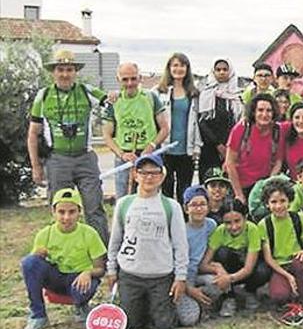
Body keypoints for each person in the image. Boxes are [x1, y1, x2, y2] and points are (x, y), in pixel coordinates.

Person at [28, 49, 109, 243]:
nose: (65, 74)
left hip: (85, 157)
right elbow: (33, 132)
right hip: (57, 159)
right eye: (61, 69)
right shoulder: (43, 95)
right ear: (53, 72)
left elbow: (113, 103)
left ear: (75, 72)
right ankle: (62, 251)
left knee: (94, 207)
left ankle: (102, 256)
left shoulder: (86, 91)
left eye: (69, 69)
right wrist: (36, 166)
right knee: (61, 208)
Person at [106, 154, 188, 329]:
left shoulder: (171, 206)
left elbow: (180, 245)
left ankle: (159, 308)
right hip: (130, 275)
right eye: (143, 173)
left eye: (154, 173)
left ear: (162, 176)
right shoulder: (123, 204)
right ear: (135, 175)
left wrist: (180, 277)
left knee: (164, 325)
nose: (149, 177)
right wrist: (112, 270)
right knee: (131, 326)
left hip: (161, 276)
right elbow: (115, 241)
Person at [20, 188, 106, 329]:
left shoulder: (89, 233)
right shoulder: (45, 234)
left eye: (72, 212)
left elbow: (101, 269)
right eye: (61, 212)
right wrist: (37, 255)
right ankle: (38, 315)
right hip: (56, 277)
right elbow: (32, 267)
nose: (66, 217)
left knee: (86, 286)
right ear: (53, 212)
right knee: (29, 262)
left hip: (79, 280)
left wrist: (88, 272)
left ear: (79, 212)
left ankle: (81, 306)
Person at [102, 62, 169, 198]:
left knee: (151, 197)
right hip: (125, 157)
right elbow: (107, 135)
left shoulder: (150, 97)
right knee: (124, 198)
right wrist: (122, 154)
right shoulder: (113, 102)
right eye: (125, 79)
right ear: (118, 79)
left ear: (140, 78)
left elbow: (164, 128)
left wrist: (150, 147)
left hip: (149, 155)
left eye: (133, 78)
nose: (130, 83)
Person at [258, 178, 303, 325]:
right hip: (280, 266)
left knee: (302, 263)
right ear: (267, 204)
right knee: (279, 296)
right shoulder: (264, 224)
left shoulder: (299, 218)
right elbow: (269, 258)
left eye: (282, 201)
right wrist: (288, 276)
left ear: (289, 201)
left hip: (297, 261)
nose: (279, 206)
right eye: (274, 202)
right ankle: (291, 300)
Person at [201, 202, 271, 318]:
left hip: (247, 269)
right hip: (228, 267)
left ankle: (249, 291)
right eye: (228, 223)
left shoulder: (252, 229)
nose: (233, 227)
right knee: (222, 252)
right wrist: (219, 269)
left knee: (264, 270)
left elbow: (248, 268)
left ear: (245, 218)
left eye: (237, 221)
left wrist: (228, 278)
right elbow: (203, 264)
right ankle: (229, 296)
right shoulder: (220, 231)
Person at [154, 53, 202, 206]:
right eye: (175, 65)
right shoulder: (158, 92)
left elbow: (197, 122)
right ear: (169, 68)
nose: (178, 69)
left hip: (185, 150)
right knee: (166, 189)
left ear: (187, 69)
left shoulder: (194, 93)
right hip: (165, 149)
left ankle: (183, 222)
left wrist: (196, 146)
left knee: (184, 190)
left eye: (182, 65)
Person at [225, 94, 284, 204]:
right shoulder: (241, 129)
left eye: (269, 111)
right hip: (240, 185)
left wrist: (268, 185)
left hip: (263, 187)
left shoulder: (278, 131)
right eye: (260, 110)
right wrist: (239, 194)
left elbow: (278, 161)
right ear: (253, 112)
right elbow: (230, 163)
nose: (264, 114)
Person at [175, 185, 220, 327]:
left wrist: (218, 269)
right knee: (189, 319)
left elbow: (211, 252)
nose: (199, 209)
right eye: (194, 205)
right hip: (182, 278)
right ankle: (193, 303)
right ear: (186, 208)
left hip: (199, 272)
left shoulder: (211, 225)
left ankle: (204, 303)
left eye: (202, 204)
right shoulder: (180, 230)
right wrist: (189, 289)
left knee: (217, 283)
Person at [197, 58, 243, 182]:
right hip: (209, 148)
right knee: (209, 184)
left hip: (231, 148)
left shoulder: (237, 96)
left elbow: (239, 122)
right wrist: (217, 144)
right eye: (218, 70)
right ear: (213, 72)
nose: (222, 72)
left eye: (225, 69)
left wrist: (228, 146)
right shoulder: (205, 94)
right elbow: (202, 122)